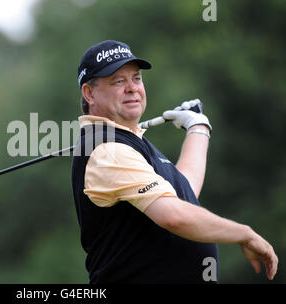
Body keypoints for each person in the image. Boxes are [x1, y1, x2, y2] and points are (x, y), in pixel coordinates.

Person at [71, 40, 278, 283]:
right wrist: (244, 234)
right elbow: (174, 216)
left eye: (136, 78)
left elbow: (183, 193)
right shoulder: (108, 149)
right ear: (89, 93)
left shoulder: (129, 142)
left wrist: (198, 128)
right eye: (118, 81)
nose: (131, 88)